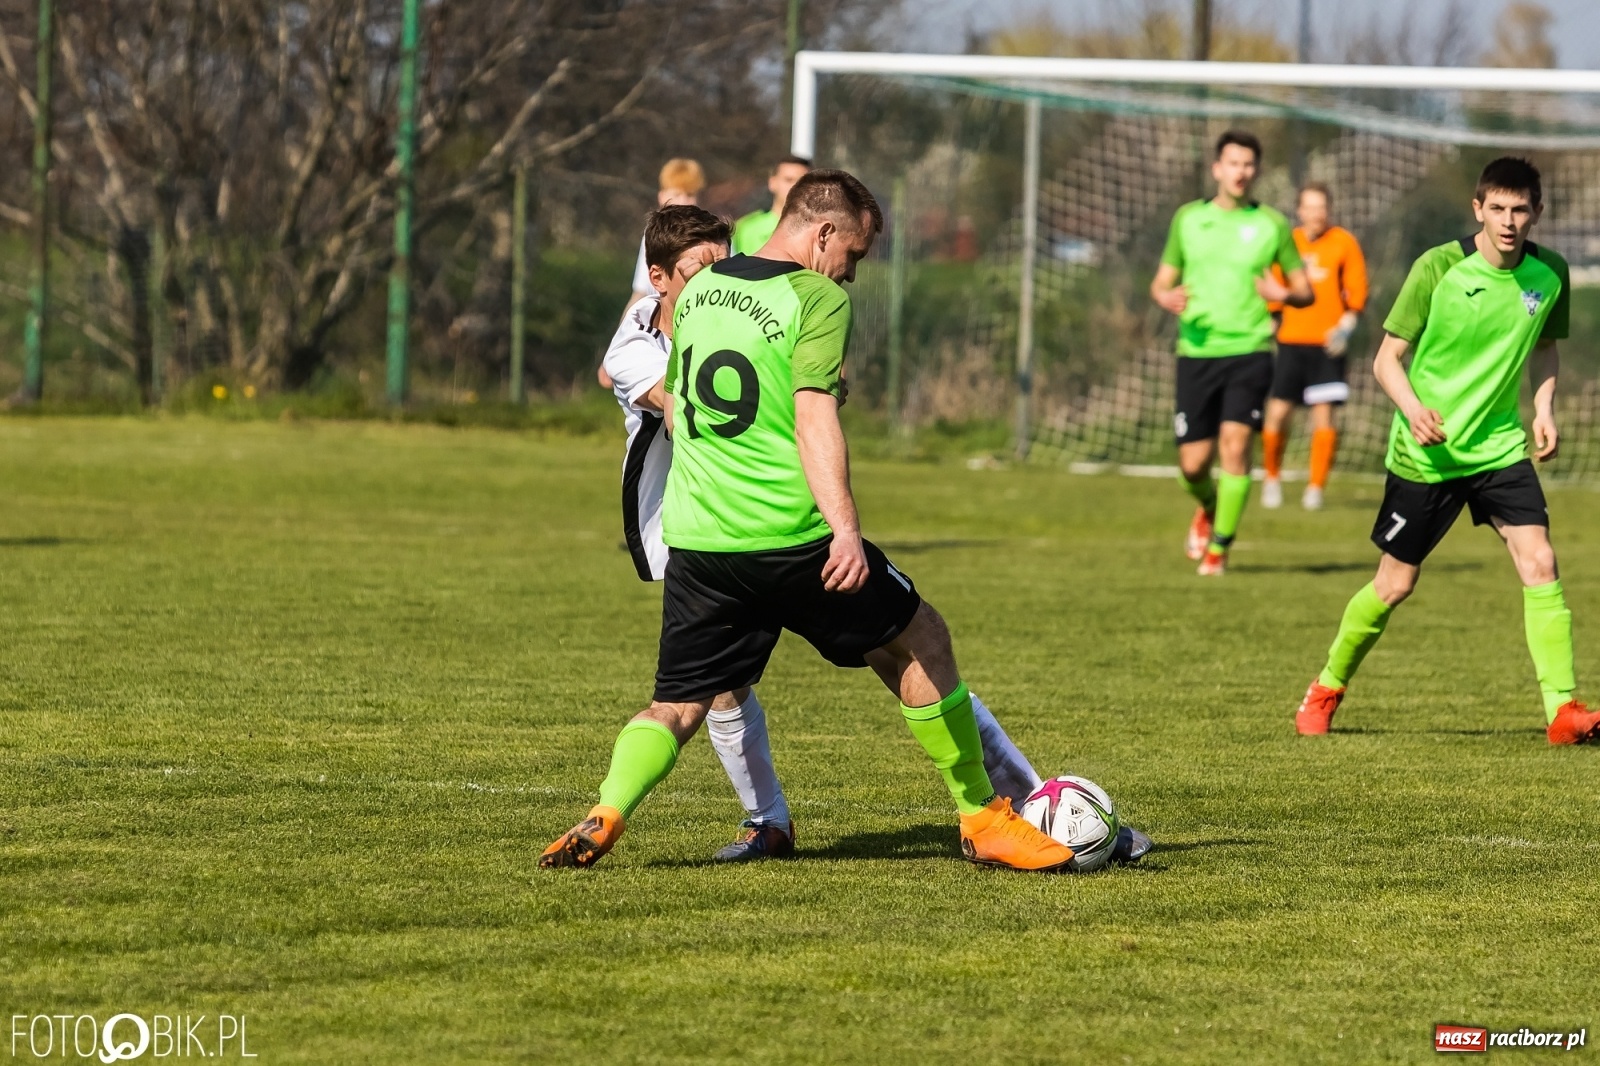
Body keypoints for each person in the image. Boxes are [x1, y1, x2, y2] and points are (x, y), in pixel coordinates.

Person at [545, 171, 1096, 872]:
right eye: (854, 256)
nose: (852, 273)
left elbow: (685, 396)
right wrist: (843, 529)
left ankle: (607, 810)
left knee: (678, 703)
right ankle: (984, 818)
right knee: (919, 641)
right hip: (787, 535)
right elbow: (813, 416)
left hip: (700, 539)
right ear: (823, 232)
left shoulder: (702, 291)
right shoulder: (816, 296)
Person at [1295, 157, 1600, 746]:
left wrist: (1542, 409)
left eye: (1520, 210)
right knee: (1394, 585)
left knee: (1539, 560)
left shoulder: (1551, 274)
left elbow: (1544, 352)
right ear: (1478, 208)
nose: (1509, 221)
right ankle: (1327, 685)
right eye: (1498, 209)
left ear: (1536, 212)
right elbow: (1387, 359)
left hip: (1498, 448)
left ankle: (1563, 710)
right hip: (1426, 454)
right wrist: (1414, 410)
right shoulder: (1438, 267)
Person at [1151, 130, 1314, 576]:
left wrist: (1282, 292)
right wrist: (1166, 298)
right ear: (1217, 168)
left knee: (1236, 446)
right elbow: (1161, 281)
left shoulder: (1272, 225)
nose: (1241, 172)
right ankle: (1207, 505)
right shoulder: (1188, 219)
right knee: (1193, 464)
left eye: (1248, 164)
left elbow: (1304, 290)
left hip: (1251, 350)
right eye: (1233, 163)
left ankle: (1219, 550)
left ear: (1256, 171)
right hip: (1196, 351)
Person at [1261, 183, 1368, 511]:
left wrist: (1346, 326)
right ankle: (1271, 478)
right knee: (1277, 413)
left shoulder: (1343, 242)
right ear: (1299, 210)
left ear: (1329, 209)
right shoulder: (1287, 242)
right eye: (1309, 207)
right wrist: (1271, 320)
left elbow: (1357, 290)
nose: (1315, 213)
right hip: (1292, 342)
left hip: (1326, 346)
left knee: (1323, 416)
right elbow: (1275, 286)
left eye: (1321, 206)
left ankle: (1315, 487)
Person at [599, 158, 706, 392]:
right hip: (658, 336)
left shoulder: (713, 236)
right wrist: (615, 348)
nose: (685, 202)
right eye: (678, 194)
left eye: (691, 194)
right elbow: (639, 293)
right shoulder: (653, 237)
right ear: (662, 195)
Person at [732, 155, 811, 256]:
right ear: (772, 183)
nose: (795, 186)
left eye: (802, 181)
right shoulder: (746, 228)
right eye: (789, 180)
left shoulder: (820, 230)